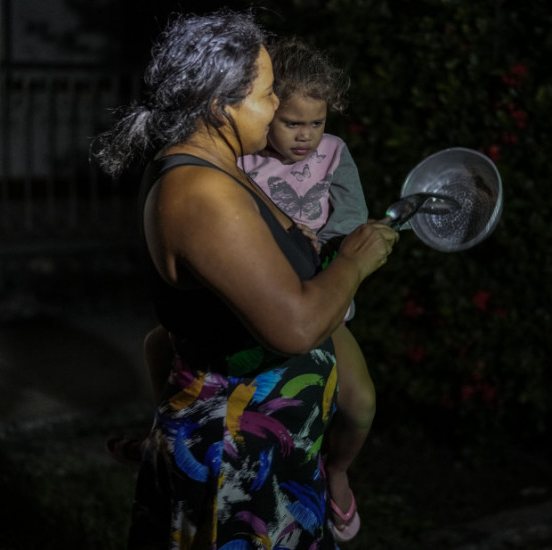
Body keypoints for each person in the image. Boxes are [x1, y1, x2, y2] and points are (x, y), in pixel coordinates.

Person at [92, 9, 398, 550]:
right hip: (239, 462)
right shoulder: (201, 194)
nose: (279, 106)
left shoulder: (221, 168)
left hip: (272, 448)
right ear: (219, 105)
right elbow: (296, 326)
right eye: (266, 95)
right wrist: (352, 261)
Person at [240, 36, 374, 543]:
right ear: (269, 111)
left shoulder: (335, 153)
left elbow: (354, 218)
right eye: (293, 123)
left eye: (315, 123)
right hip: (264, 308)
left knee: (360, 403)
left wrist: (334, 243)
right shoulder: (246, 160)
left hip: (326, 309)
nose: (305, 137)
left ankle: (337, 470)